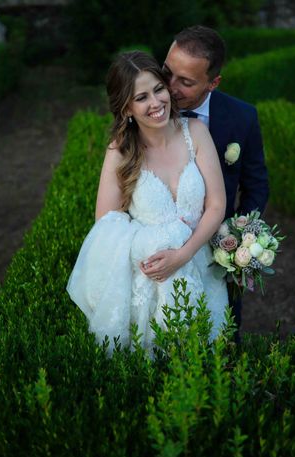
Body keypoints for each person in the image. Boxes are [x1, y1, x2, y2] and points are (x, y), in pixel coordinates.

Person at [66, 51, 228, 353]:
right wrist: (153, 245)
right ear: (127, 107)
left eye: (158, 89)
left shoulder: (196, 133)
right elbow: (106, 225)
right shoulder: (120, 151)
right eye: (141, 98)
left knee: (209, 363)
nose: (155, 103)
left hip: (202, 267)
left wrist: (182, 254)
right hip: (151, 280)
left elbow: (217, 205)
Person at [163, 25, 270, 341]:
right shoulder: (147, 110)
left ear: (213, 83)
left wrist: (239, 240)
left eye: (186, 82)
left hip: (215, 251)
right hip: (160, 247)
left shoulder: (242, 117)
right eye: (167, 72)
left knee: (223, 337)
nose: (169, 88)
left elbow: (256, 185)